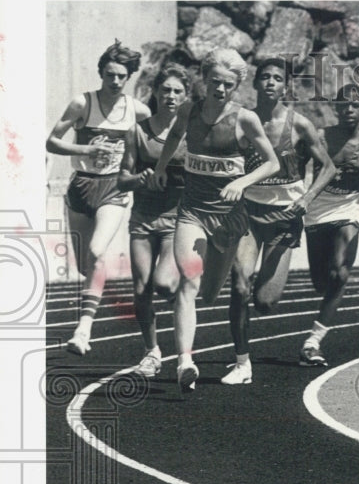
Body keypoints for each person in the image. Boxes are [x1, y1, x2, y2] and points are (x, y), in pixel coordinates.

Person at [152, 47, 280, 392]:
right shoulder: (189, 111)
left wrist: (240, 182)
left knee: (215, 293)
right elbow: (175, 136)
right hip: (192, 212)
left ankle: (239, 361)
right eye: (215, 83)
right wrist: (162, 168)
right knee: (188, 284)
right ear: (204, 80)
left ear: (236, 85)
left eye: (228, 85)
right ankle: (185, 362)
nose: (220, 90)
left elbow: (272, 163)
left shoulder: (244, 119)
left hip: (229, 219)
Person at [221, 58, 338, 385]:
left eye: (277, 78)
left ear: (285, 86)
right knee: (239, 287)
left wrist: (305, 200)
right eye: (265, 78)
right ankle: (242, 363)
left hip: (285, 218)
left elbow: (328, 168)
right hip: (246, 214)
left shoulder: (299, 125)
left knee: (265, 301)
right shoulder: (241, 120)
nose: (271, 83)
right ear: (256, 84)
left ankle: (249, 342)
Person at [46, 40, 152, 355]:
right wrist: (87, 149)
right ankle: (89, 298)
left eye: (121, 75)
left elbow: (157, 143)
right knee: (85, 266)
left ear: (129, 76)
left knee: (97, 251)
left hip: (114, 189)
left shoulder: (138, 110)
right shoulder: (82, 103)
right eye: (110, 74)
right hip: (80, 187)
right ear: (101, 73)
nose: (115, 81)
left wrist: (142, 175)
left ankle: (83, 330)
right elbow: (51, 142)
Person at [298, 84, 359, 367]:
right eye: (344, 105)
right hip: (317, 209)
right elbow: (297, 167)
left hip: (349, 209)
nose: (349, 110)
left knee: (341, 272)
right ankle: (324, 303)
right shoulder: (320, 138)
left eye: (355, 105)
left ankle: (313, 340)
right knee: (320, 283)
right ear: (335, 108)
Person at [116, 64, 190, 377]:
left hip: (175, 219)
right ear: (156, 93)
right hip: (143, 219)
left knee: (163, 283)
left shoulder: (191, 134)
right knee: (141, 287)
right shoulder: (138, 130)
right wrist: (140, 178)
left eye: (177, 91)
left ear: (185, 97)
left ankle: (183, 296)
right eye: (166, 90)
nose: (171, 96)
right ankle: (152, 351)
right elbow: (121, 180)